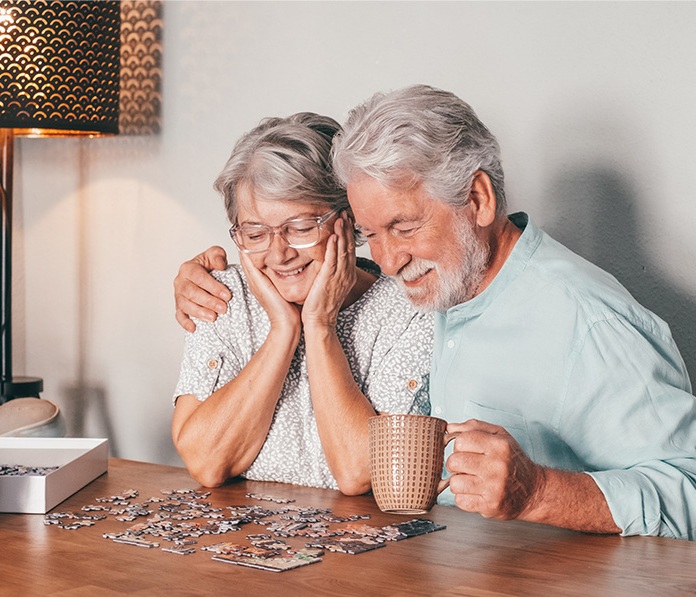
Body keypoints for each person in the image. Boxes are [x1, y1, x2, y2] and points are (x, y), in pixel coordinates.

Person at [175, 86, 696, 540]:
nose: (385, 260)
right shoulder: (432, 288)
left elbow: (689, 491)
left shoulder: (589, 321)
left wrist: (541, 491)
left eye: (403, 227)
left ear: (478, 198)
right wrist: (212, 274)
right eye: (370, 233)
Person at [171, 112, 432, 495]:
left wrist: (320, 326)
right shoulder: (219, 295)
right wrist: (283, 331)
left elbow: (362, 471)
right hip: (239, 544)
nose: (279, 254)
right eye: (255, 233)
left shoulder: (408, 306)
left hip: (375, 549)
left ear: (348, 219)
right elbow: (205, 462)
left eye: (301, 228)